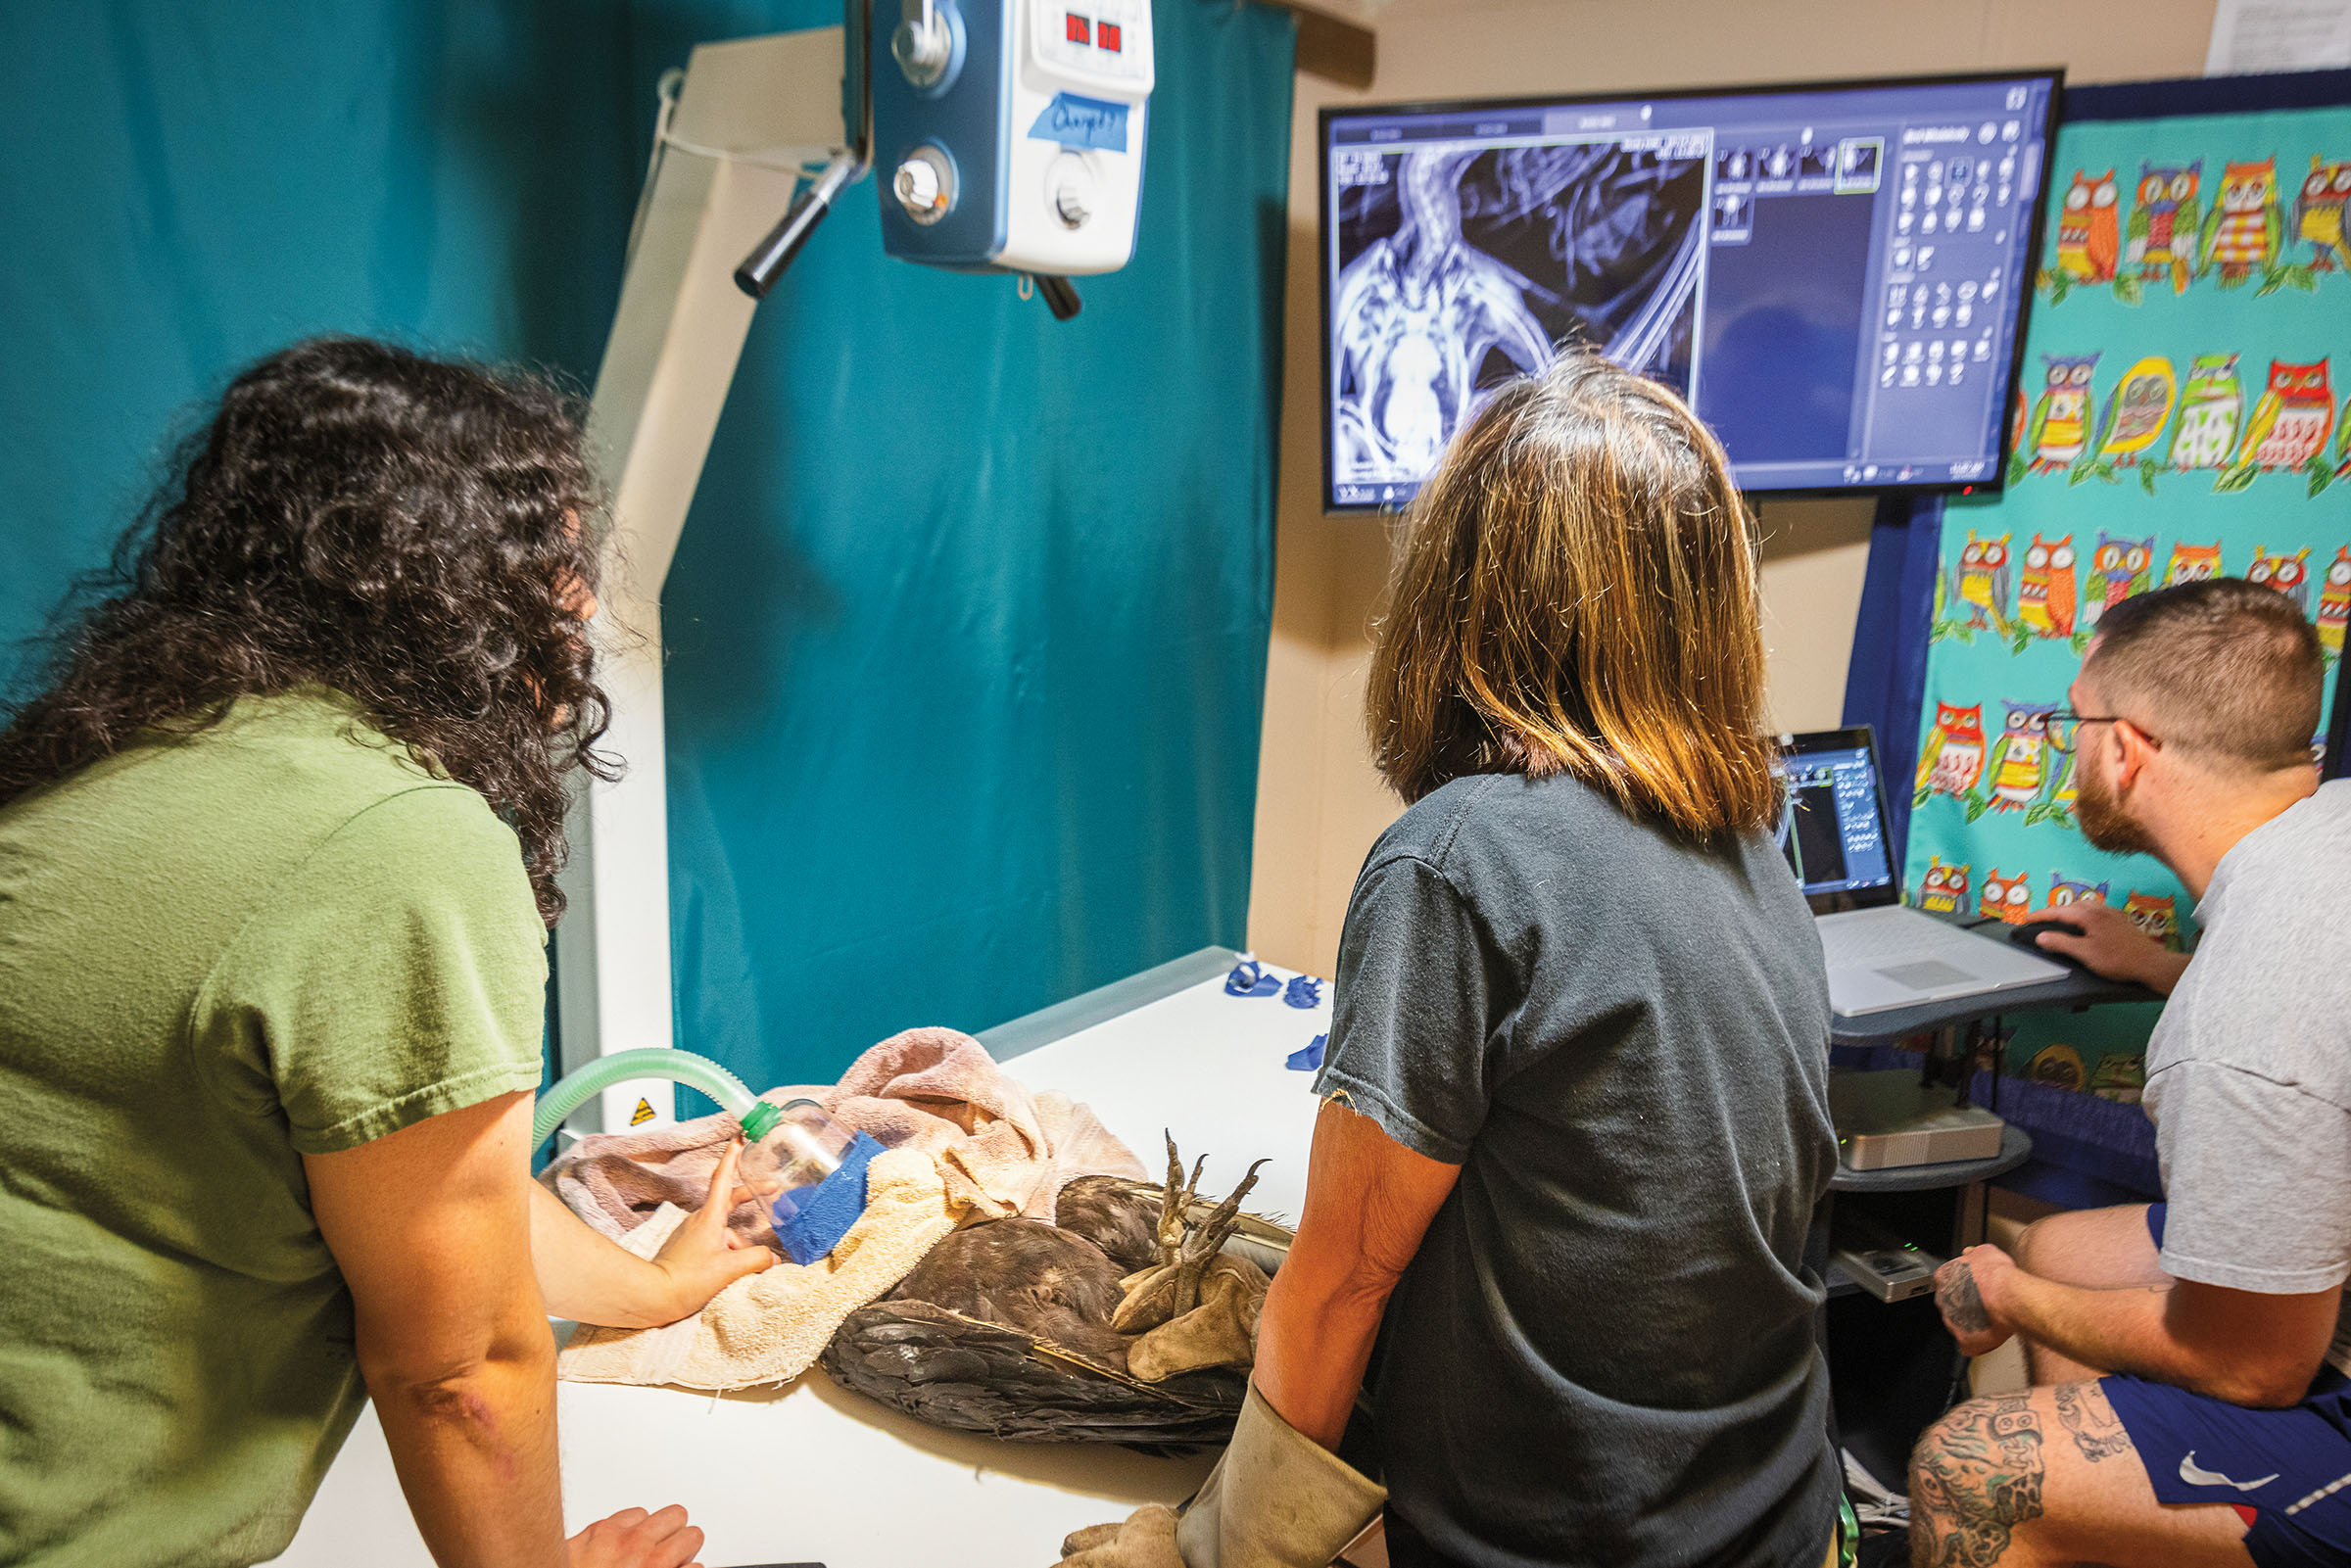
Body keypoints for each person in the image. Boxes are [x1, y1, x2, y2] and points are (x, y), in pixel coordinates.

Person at [0, 338, 771, 1568]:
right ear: (464, 588)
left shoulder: (105, 768)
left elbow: (410, 1184)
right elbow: (457, 1367)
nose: (576, 610)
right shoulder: (399, 839)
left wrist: (656, 1288)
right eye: (554, 564)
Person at [1250, 353, 1843, 1567]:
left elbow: (1340, 1284)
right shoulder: (1752, 845)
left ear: (1455, 587)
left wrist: (1235, 1541)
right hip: (1775, 1510)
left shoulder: (1459, 858)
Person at [1911, 577, 2351, 1568]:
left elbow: (2253, 1361)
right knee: (2065, 1245)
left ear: (2127, 746)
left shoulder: (2243, 1015)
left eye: (2077, 719)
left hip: (2306, 1373)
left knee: (1971, 1464)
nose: (2072, 747)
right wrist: (2159, 967)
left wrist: (2009, 1292)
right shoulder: (2323, 846)